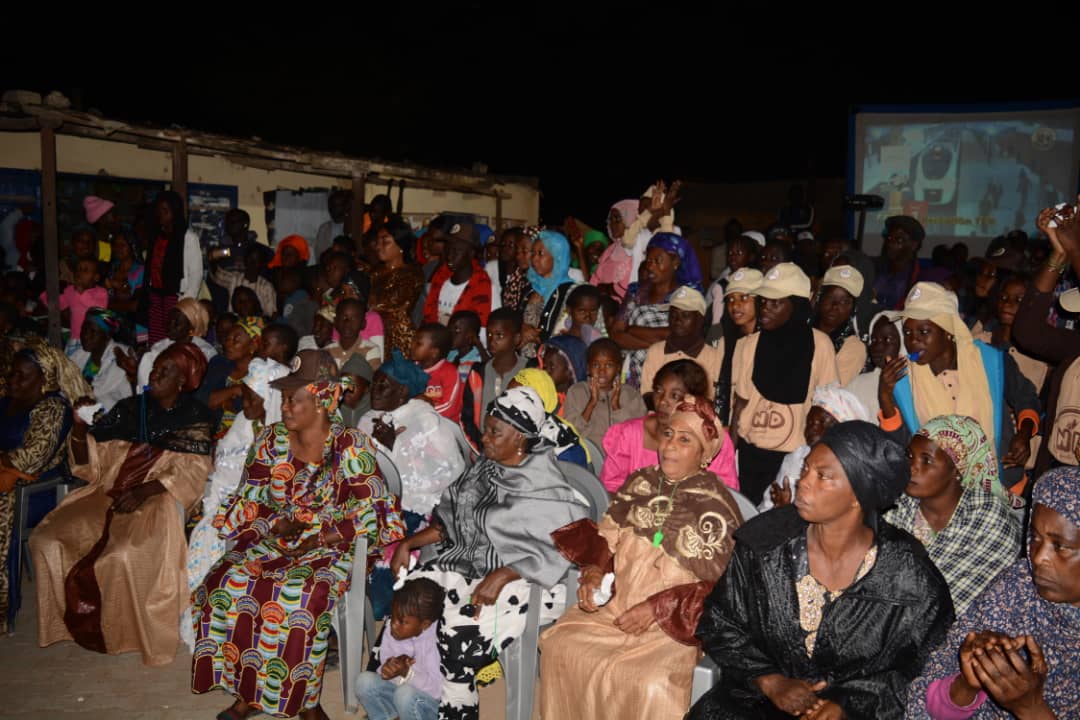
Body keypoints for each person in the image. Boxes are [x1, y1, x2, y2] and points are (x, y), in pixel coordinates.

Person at [688, 421, 954, 720]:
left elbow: (929, 669)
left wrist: (848, 704)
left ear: (859, 495)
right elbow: (719, 622)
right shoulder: (765, 543)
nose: (803, 482)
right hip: (753, 705)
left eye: (822, 476)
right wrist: (770, 680)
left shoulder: (907, 576)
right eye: (805, 470)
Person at [190, 349, 404, 720]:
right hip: (279, 538)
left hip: (337, 546)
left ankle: (304, 704)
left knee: (296, 596)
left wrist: (322, 538)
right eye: (284, 398)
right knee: (224, 584)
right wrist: (273, 525)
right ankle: (250, 693)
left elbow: (377, 515)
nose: (285, 406)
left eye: (294, 399)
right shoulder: (272, 441)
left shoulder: (349, 446)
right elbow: (250, 496)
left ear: (321, 399)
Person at [388, 387, 589, 720]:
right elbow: (451, 525)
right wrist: (409, 544)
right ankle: (400, 695)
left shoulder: (542, 484)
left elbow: (569, 545)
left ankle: (455, 711)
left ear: (521, 439)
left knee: (458, 633)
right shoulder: (484, 468)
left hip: (532, 580)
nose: (485, 437)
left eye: (495, 432)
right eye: (487, 427)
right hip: (472, 564)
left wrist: (505, 573)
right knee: (410, 596)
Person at [539, 397, 743, 720]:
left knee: (649, 683)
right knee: (560, 647)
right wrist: (594, 571)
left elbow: (724, 594)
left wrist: (657, 608)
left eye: (684, 439)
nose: (669, 446)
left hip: (670, 629)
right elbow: (607, 537)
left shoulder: (718, 508)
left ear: (704, 455)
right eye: (667, 434)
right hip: (615, 609)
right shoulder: (640, 483)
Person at [31, 343, 214, 665]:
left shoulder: (194, 416)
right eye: (156, 366)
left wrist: (146, 491)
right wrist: (78, 427)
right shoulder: (129, 408)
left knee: (123, 554)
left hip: (159, 496)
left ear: (183, 381)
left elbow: (195, 473)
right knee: (48, 540)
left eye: (166, 370)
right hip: (108, 490)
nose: (156, 373)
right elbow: (92, 463)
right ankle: (64, 627)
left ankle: (124, 634)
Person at [906, 467, 1080, 720]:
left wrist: (1030, 708)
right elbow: (930, 704)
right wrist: (969, 681)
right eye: (1035, 537)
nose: (1039, 557)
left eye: (1060, 546)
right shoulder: (1017, 587)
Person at [879, 282, 1041, 492]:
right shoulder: (902, 377)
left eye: (923, 331)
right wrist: (885, 396)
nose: (913, 341)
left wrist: (1024, 434)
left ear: (948, 330)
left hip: (998, 486)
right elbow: (903, 446)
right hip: (939, 494)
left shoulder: (990, 360)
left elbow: (1025, 396)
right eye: (908, 332)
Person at [181, 357, 288, 648]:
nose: (245, 404)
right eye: (244, 396)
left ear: (271, 398)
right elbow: (225, 473)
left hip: (274, 516)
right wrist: (219, 508)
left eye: (252, 398)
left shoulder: (287, 430)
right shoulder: (244, 423)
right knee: (208, 536)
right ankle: (213, 629)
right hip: (232, 506)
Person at [360, 350, 467, 616]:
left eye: (384, 384)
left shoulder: (424, 420)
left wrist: (393, 449)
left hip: (417, 506)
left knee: (384, 579)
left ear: (402, 391)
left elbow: (448, 473)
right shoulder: (368, 418)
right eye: (375, 383)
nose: (375, 390)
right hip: (374, 506)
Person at [886, 415, 1021, 616]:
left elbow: (958, 607)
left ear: (958, 471)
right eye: (910, 456)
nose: (912, 467)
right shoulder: (897, 507)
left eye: (927, 460)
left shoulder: (988, 518)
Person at [731, 263, 840, 504]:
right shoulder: (750, 344)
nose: (765, 309)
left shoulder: (820, 345)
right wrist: (729, 456)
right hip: (751, 455)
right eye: (763, 302)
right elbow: (739, 406)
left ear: (797, 306)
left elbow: (829, 406)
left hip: (794, 458)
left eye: (776, 302)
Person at [0, 342, 79, 633]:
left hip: (38, 492)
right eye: (12, 373)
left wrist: (10, 464)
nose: (13, 380)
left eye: (22, 375)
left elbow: (31, 458)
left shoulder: (53, 407)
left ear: (43, 379)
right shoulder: (6, 402)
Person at [1012, 205, 1080, 474]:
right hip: (1053, 484)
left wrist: (1075, 248)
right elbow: (1027, 331)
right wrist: (1060, 254)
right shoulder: (1075, 348)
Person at [602, 359, 738, 492]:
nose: (662, 402)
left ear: (693, 401)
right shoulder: (629, 434)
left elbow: (725, 493)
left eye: (674, 396)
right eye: (658, 391)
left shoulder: (711, 438)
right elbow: (610, 487)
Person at [611, 232, 704, 388]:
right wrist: (654, 348)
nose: (650, 266)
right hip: (634, 373)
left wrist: (632, 330)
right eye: (648, 260)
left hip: (674, 370)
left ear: (675, 262)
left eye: (657, 261)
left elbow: (684, 337)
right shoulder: (636, 292)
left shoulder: (688, 295)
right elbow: (616, 333)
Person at [758, 384, 871, 512]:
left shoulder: (848, 473)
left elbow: (827, 524)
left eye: (822, 422)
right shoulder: (796, 458)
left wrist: (785, 511)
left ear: (842, 431)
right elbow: (766, 506)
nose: (813, 428)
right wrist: (777, 511)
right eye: (810, 422)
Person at [355, 578, 444, 720]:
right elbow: (384, 660)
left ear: (424, 625)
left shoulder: (435, 640)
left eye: (402, 621)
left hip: (425, 703)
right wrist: (389, 668)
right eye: (393, 616)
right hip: (399, 692)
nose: (393, 625)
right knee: (364, 681)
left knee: (405, 694)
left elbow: (437, 690)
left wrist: (408, 673)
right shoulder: (393, 627)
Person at [971, 276, 1049, 396]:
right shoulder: (980, 338)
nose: (1007, 303)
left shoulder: (1035, 357)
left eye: (1018, 300)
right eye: (1003, 297)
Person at [564, 338, 647, 450]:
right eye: (596, 365)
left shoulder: (631, 394)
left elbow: (638, 435)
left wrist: (616, 408)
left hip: (623, 458)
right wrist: (591, 404)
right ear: (588, 368)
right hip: (589, 460)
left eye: (609, 365)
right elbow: (570, 433)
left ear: (618, 368)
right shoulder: (577, 391)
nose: (602, 372)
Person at [640, 286, 722, 398]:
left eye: (686, 315)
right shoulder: (656, 351)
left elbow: (711, 400)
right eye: (673, 314)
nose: (678, 320)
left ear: (700, 320)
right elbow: (647, 394)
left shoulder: (713, 357)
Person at [461, 308, 528, 447]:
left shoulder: (530, 371)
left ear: (516, 339)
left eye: (499, 335)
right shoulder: (478, 373)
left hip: (517, 449)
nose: (492, 340)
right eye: (489, 334)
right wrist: (481, 447)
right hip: (482, 447)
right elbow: (467, 417)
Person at [145, 191, 203, 343]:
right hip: (156, 296)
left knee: (173, 340)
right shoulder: (156, 236)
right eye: (159, 211)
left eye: (165, 211)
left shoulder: (188, 238)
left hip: (177, 297)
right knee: (156, 341)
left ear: (175, 211)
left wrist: (185, 305)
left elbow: (196, 275)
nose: (160, 215)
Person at [128, 297, 217, 393]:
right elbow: (145, 387)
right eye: (169, 320)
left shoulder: (206, 352)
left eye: (177, 323)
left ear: (191, 327)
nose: (170, 325)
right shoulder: (159, 347)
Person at [709, 268, 762, 424]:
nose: (735, 305)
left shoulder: (768, 342)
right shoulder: (725, 343)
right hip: (728, 425)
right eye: (731, 299)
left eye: (744, 298)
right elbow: (717, 391)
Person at [509, 367, 590, 467]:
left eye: (517, 399)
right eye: (506, 396)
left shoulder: (559, 439)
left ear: (540, 399)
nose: (508, 404)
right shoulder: (508, 427)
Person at [370, 219, 424, 358]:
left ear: (401, 245)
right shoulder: (374, 272)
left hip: (397, 339)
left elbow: (389, 301)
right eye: (378, 241)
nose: (378, 246)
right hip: (370, 333)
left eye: (385, 241)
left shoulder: (411, 274)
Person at [422, 222, 492, 327]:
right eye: (448, 249)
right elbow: (428, 317)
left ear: (471, 253)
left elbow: (482, 330)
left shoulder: (483, 285)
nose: (450, 256)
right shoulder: (440, 277)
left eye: (456, 251)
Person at [521, 230, 579, 353]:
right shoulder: (529, 289)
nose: (534, 259)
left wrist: (538, 337)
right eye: (533, 253)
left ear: (557, 256)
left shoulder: (571, 292)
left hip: (555, 361)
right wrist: (521, 327)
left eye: (540, 253)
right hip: (524, 361)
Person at [68, 307, 132, 412]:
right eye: (84, 329)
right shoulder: (80, 354)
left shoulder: (121, 355)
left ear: (107, 336)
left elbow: (98, 393)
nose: (86, 336)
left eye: (93, 331)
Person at [844, 310, 906, 418]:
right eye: (874, 340)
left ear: (903, 341)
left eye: (887, 339)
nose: (878, 347)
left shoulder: (917, 385)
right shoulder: (858, 385)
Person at [815, 265, 867, 385]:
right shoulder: (801, 329)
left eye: (844, 302)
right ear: (819, 298)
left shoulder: (853, 347)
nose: (834, 306)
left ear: (853, 308)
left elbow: (832, 388)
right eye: (830, 297)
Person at [41, 256, 107, 348]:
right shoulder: (70, 290)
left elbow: (98, 310)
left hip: (92, 340)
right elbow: (58, 305)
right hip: (75, 337)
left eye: (85, 270)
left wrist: (82, 293)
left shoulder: (101, 292)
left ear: (96, 277)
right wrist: (45, 296)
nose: (80, 272)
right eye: (78, 269)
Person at [411, 323, 463, 423]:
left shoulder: (449, 372)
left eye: (418, 343)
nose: (412, 345)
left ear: (434, 352)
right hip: (417, 419)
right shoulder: (410, 369)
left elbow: (449, 408)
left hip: (445, 423)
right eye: (413, 341)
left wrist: (421, 412)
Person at [591, 199, 641, 301]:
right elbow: (595, 280)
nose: (612, 224)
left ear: (631, 218)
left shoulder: (639, 249)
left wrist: (609, 289)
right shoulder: (610, 250)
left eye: (617, 219)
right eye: (610, 220)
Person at [211, 243, 277, 317]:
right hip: (234, 323)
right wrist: (218, 254)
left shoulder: (266, 287)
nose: (252, 263)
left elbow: (271, 314)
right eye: (250, 259)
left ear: (261, 264)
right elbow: (216, 274)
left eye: (256, 260)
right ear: (245, 260)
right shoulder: (234, 278)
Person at [103, 231, 146, 343]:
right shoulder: (112, 268)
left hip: (135, 324)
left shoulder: (140, 271)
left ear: (132, 247)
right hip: (113, 322)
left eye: (122, 245)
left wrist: (109, 305)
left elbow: (134, 305)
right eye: (115, 245)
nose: (118, 248)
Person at [875, 215, 924, 311]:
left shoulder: (920, 278)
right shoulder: (877, 268)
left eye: (899, 240)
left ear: (914, 245)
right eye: (889, 238)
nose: (890, 244)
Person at [326, 297, 382, 370]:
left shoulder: (370, 350)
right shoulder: (327, 352)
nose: (347, 323)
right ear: (335, 322)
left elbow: (374, 379)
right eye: (343, 317)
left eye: (354, 318)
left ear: (363, 323)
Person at [537, 334, 589, 405]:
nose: (545, 370)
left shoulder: (572, 407)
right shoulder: (538, 386)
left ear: (569, 372)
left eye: (552, 367)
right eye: (545, 365)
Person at [447, 310, 487, 386]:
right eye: (449, 329)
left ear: (470, 335)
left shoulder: (478, 357)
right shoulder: (450, 353)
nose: (450, 333)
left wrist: (479, 345)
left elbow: (489, 370)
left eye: (457, 330)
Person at [312, 190, 350, 265]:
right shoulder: (324, 228)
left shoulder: (351, 227)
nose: (333, 209)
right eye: (331, 206)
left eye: (337, 205)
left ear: (346, 206)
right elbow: (319, 253)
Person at [339, 353, 374, 427]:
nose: (346, 389)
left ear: (366, 389)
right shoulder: (333, 408)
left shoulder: (374, 410)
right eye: (343, 384)